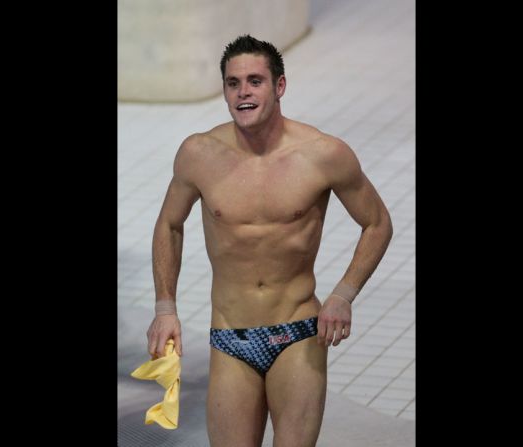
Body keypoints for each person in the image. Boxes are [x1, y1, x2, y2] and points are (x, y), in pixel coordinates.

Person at [146, 34, 393, 447]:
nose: (243, 92)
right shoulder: (198, 154)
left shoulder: (323, 154)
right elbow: (169, 224)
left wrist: (344, 295)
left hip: (298, 330)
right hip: (229, 334)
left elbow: (378, 223)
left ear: (279, 87)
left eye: (255, 81)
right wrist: (165, 307)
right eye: (233, 83)